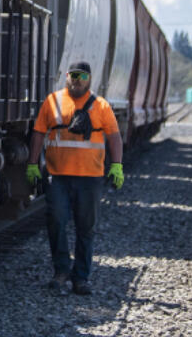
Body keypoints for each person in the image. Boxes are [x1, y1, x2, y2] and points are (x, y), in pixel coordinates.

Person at [25, 61, 124, 295]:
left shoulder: (101, 106)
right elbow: (39, 133)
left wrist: (117, 165)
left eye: (82, 76)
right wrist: (32, 163)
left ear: (89, 79)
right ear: (66, 77)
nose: (77, 80)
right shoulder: (53, 101)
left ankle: (81, 278)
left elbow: (114, 136)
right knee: (57, 222)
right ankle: (61, 272)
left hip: (90, 179)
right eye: (73, 75)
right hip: (58, 176)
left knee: (86, 228)